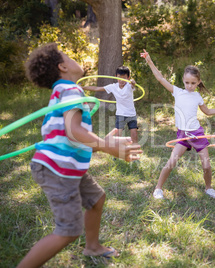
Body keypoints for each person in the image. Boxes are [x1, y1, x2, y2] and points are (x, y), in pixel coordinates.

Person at [18, 43, 142, 268]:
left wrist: (106, 142)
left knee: (96, 199)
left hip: (65, 165)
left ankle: (92, 246)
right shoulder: (71, 89)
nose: (74, 58)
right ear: (62, 66)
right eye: (68, 55)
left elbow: (72, 140)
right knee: (68, 232)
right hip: (57, 169)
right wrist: (108, 147)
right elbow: (74, 131)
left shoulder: (63, 90)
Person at [140, 49, 215, 199]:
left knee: (207, 165)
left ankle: (208, 188)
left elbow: (208, 111)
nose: (190, 86)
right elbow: (160, 78)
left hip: (197, 133)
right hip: (183, 134)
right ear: (183, 81)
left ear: (198, 82)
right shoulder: (177, 92)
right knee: (171, 162)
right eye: (187, 82)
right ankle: (158, 189)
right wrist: (149, 61)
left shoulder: (197, 96)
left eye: (193, 83)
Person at [82, 66, 139, 144]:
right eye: (119, 77)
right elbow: (96, 88)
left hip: (131, 114)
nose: (121, 80)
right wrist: (82, 87)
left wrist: (133, 82)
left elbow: (133, 84)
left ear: (128, 77)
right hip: (120, 114)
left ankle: (135, 153)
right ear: (116, 77)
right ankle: (116, 153)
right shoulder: (113, 87)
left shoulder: (129, 86)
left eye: (124, 77)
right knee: (118, 135)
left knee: (134, 135)